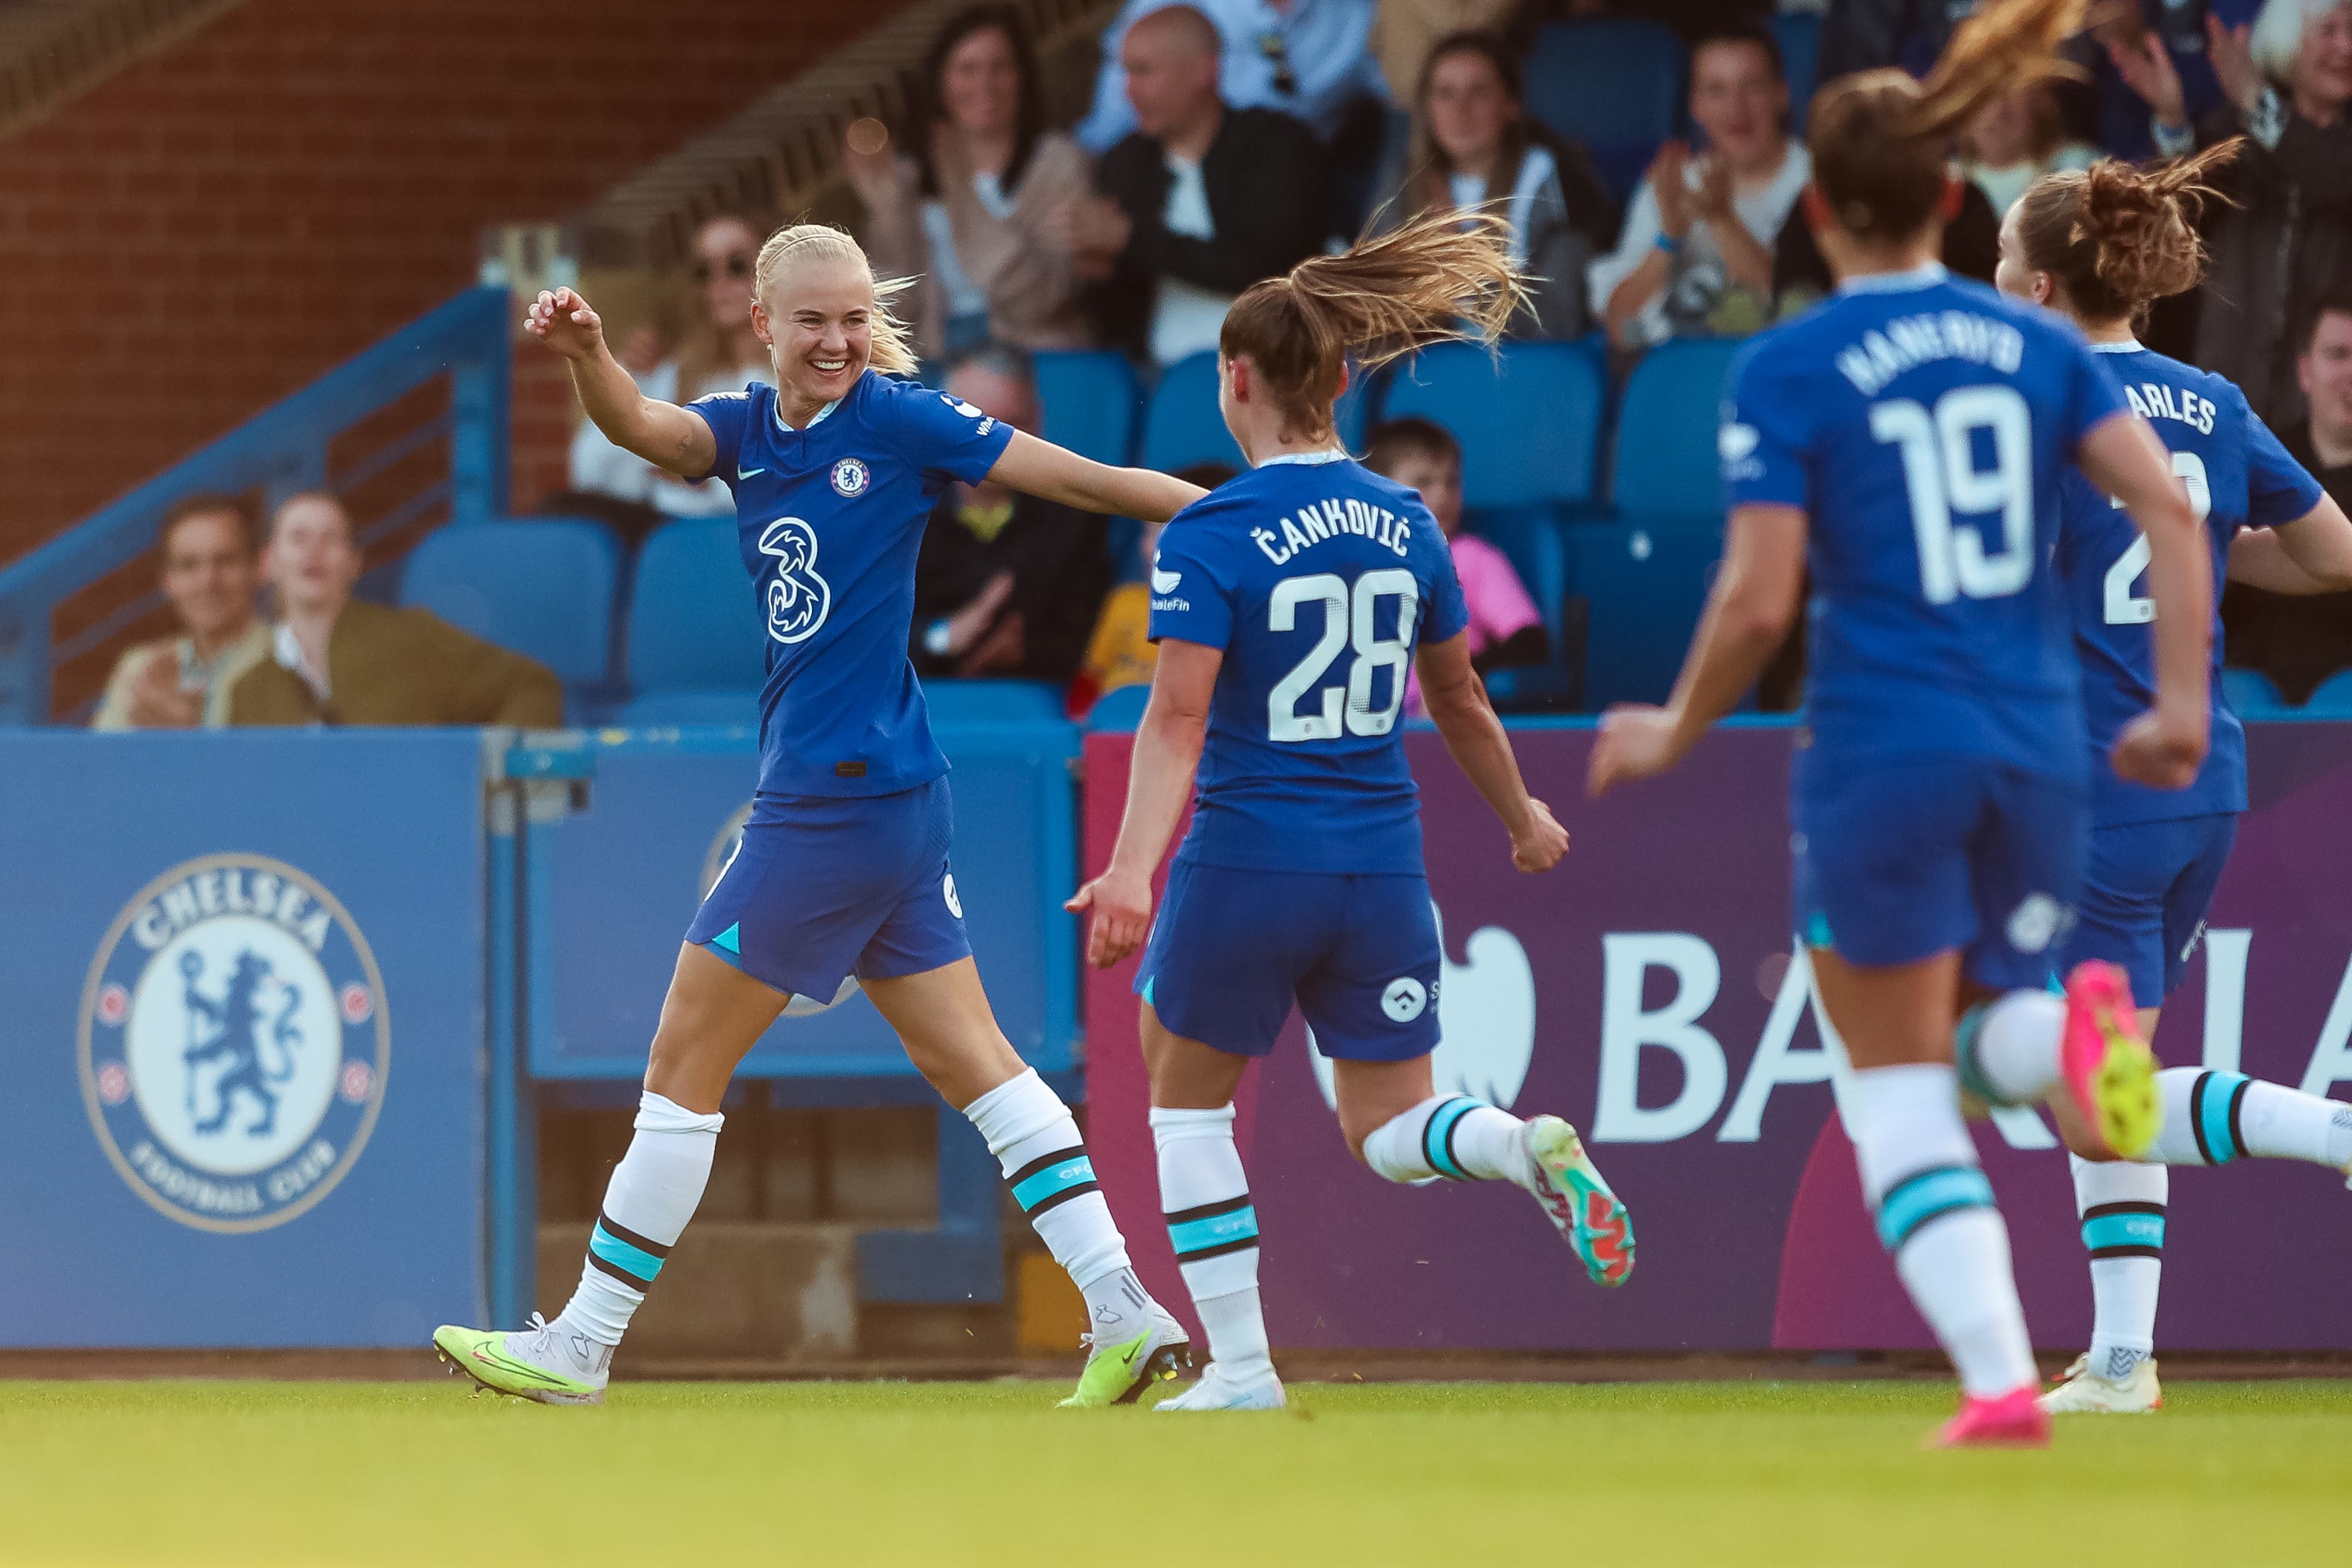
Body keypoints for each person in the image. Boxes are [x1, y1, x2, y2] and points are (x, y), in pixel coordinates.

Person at [433, 224, 1208, 1409]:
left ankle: (582, 1342)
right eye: (813, 319)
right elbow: (645, 428)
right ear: (764, 324)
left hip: (833, 802)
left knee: (681, 1058)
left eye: (853, 316)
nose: (838, 338)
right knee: (980, 1063)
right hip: (885, 796)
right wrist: (589, 351)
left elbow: (1068, 475)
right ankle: (1122, 1302)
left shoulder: (897, 418)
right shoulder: (745, 428)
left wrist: (1213, 516)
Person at [1587, 0, 2216, 1450]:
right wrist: (2179, 703)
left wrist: (1672, 733)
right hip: (2040, 751)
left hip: (1881, 749)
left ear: (1812, 209)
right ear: (1950, 198)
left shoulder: (1787, 368)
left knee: (1888, 1087)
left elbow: (1753, 602)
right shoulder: (2036, 348)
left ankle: (1999, 1379)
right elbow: (2169, 511)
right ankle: (2069, 1051)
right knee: (1989, 1025)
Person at [1067, 212, 1630, 1415]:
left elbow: (1173, 720)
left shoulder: (1213, 528)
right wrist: (1522, 812)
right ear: (1337, 379)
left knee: (1182, 1097)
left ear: (1236, 379)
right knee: (1394, 1122)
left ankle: (1242, 1368)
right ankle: (1516, 1139)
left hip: (1249, 856)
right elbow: (1461, 693)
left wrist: (1127, 871)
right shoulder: (1408, 522)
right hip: (1380, 863)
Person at [1992, 152, 2352, 1416]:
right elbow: (2328, 559)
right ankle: (2120, 1357)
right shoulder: (2205, 397)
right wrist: (2197, 542)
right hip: (2202, 778)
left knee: (2097, 1098)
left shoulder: (2030, 412)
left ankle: (2330, 1132)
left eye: (1994, 268)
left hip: (2093, 785)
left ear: (2037, 285)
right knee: (2111, 1069)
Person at [2111, 1, 2352, 427]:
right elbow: (2177, 219)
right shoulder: (2231, 130)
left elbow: (2331, 179)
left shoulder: (2272, 119)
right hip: (2230, 381)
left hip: (2330, 404)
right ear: (2288, 39)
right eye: (2329, 30)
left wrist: (2258, 103)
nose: (2346, 47)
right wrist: (2172, 120)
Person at [1067, 4, 1335, 366]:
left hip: (1282, 368)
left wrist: (1130, 239)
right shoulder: (1124, 164)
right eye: (1125, 73)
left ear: (1203, 70)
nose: (1128, 91)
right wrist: (1101, 272)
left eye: (1143, 71)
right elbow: (1117, 320)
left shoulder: (1276, 144)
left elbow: (1267, 269)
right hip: (1167, 382)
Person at [844, 7, 1095, 361]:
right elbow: (895, 311)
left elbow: (1039, 302)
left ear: (1022, 76)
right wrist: (886, 211)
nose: (985, 84)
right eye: (967, 70)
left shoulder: (1057, 164)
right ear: (941, 82)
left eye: (1001, 68)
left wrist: (961, 191)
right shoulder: (912, 174)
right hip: (936, 353)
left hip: (1032, 353)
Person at [227, 494, 562, 727]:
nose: (314, 551)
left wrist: (490, 777)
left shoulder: (415, 639)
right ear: (267, 563)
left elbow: (530, 686)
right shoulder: (248, 690)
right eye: (298, 538)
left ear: (355, 563)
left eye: (331, 538)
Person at [1374, 30, 1614, 338]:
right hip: (1431, 375)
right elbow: (1373, 317)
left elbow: (1557, 322)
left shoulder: (1556, 182)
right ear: (1427, 108)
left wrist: (1459, 263)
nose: (1461, 109)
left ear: (1511, 104)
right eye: (1445, 93)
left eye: (1478, 92)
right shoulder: (1403, 184)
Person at [1590, 22, 1814, 349]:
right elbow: (1623, 330)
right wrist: (1669, 239)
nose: (1736, 108)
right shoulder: (1671, 185)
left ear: (1782, 95)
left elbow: (1799, 320)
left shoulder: (1818, 179)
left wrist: (1721, 220)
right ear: (1695, 105)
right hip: (1681, 378)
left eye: (1751, 86)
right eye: (1716, 90)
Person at [910, 344, 1112, 682]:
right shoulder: (901, 509)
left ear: (1037, 420)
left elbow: (1089, 637)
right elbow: (866, 631)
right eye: (973, 422)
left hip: (1034, 706)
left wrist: (1024, 652)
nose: (990, 443)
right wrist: (944, 637)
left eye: (1010, 424)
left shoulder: (1076, 516)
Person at [565, 215, 777, 525]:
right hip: (667, 532)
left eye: (737, 265)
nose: (719, 283)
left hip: (745, 543)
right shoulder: (678, 371)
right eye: (703, 271)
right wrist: (623, 375)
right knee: (564, 510)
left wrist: (682, 466)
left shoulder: (802, 373)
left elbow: (765, 484)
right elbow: (589, 469)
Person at [1361, 416, 1548, 716]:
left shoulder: (1475, 558)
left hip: (1446, 722)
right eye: (1424, 483)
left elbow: (1529, 641)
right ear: (1379, 491)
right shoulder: (1355, 562)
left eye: (1452, 482)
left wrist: (1460, 677)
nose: (1443, 495)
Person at [2225, 285, 2352, 696]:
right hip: (2252, 698)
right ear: (2304, 370)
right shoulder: (2261, 466)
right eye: (2338, 355)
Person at [1075, 0, 1388, 156]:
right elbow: (1104, 132)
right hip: (1178, 188)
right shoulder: (1165, 8)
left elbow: (1410, 98)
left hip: (1302, 191)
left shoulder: (1357, 17)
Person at [91, 494, 271, 732]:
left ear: (258, 567)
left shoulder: (292, 660)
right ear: (167, 580)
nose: (207, 581)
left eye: (225, 561)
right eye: (189, 565)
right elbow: (101, 761)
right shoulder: (140, 667)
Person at [1069, 462, 1237, 716]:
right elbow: (1086, 688)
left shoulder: (1231, 614)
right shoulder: (1123, 603)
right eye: (1148, 534)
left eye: (1164, 534)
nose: (1149, 549)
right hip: (1112, 737)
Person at [1957, 82, 2101, 215]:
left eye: (2009, 87)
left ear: (2044, 99)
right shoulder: (1947, 181)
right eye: (1983, 93)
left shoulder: (2081, 168)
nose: (1996, 111)